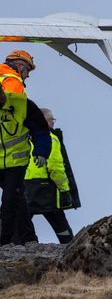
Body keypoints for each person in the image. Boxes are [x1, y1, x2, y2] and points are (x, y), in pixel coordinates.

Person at [0, 88, 50, 245]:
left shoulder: (21, 103)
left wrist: (41, 151)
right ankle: (28, 238)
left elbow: (40, 129)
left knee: (9, 201)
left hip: (15, 165)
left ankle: (4, 242)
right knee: (18, 200)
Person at [24, 108, 75, 243]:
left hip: (27, 188)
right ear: (45, 121)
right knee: (61, 227)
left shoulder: (26, 137)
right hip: (47, 190)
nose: (53, 122)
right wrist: (65, 190)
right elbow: (56, 168)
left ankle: (15, 248)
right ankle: (71, 250)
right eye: (52, 119)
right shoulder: (50, 138)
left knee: (19, 225)